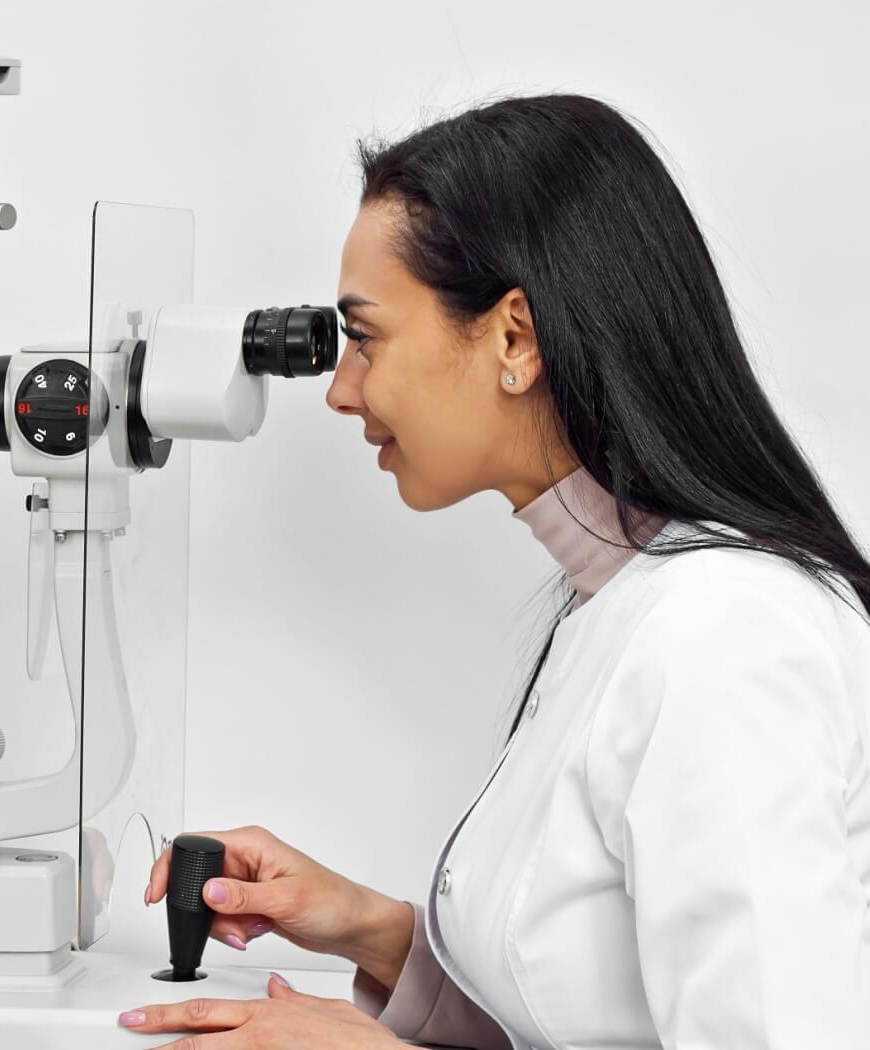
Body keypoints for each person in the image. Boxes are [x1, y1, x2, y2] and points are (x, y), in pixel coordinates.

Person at [121, 94, 870, 1049]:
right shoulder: (626, 601)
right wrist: (373, 929)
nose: (343, 393)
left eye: (365, 337)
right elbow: (594, 1005)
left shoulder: (726, 637)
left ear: (515, 339)